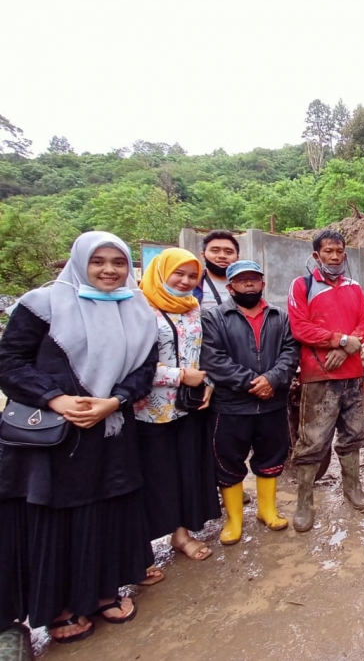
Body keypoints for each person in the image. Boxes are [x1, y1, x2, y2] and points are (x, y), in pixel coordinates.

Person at [0, 231, 159, 643]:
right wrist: (54, 398)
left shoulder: (138, 309)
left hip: (111, 431)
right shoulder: (43, 304)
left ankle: (105, 591)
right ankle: (61, 605)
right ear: (81, 262)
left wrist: (117, 400)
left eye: (118, 263)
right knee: (60, 517)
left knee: (108, 510)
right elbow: (9, 362)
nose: (109, 270)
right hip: (56, 439)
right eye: (99, 262)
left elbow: (145, 368)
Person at [134, 248, 219, 580]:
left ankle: (181, 534)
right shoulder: (139, 308)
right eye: (178, 274)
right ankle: (140, 550)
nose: (185, 281)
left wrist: (207, 382)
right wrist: (179, 376)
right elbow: (131, 363)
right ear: (161, 273)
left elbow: (201, 351)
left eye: (191, 276)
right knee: (151, 476)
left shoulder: (193, 307)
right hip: (148, 410)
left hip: (189, 406)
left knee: (185, 470)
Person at [200, 260, 299, 545]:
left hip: (272, 403)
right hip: (231, 405)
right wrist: (251, 383)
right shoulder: (214, 318)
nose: (249, 284)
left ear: (262, 283)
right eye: (242, 281)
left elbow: (290, 352)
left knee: (271, 457)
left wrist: (273, 379)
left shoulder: (279, 317)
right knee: (228, 461)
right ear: (230, 287)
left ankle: (267, 510)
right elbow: (213, 359)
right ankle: (234, 520)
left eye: (254, 279)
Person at [288, 230, 364, 532]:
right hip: (318, 375)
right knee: (312, 439)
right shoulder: (302, 286)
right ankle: (304, 501)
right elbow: (300, 328)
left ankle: (352, 487)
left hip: (352, 375)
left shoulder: (354, 287)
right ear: (316, 255)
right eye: (328, 252)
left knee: (353, 434)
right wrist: (339, 342)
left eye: (339, 251)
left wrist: (351, 343)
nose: (334, 257)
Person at [193, 230, 240, 312]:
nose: (222, 256)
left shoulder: (248, 283)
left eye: (229, 252)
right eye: (215, 251)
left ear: (237, 257)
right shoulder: (192, 284)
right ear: (203, 255)